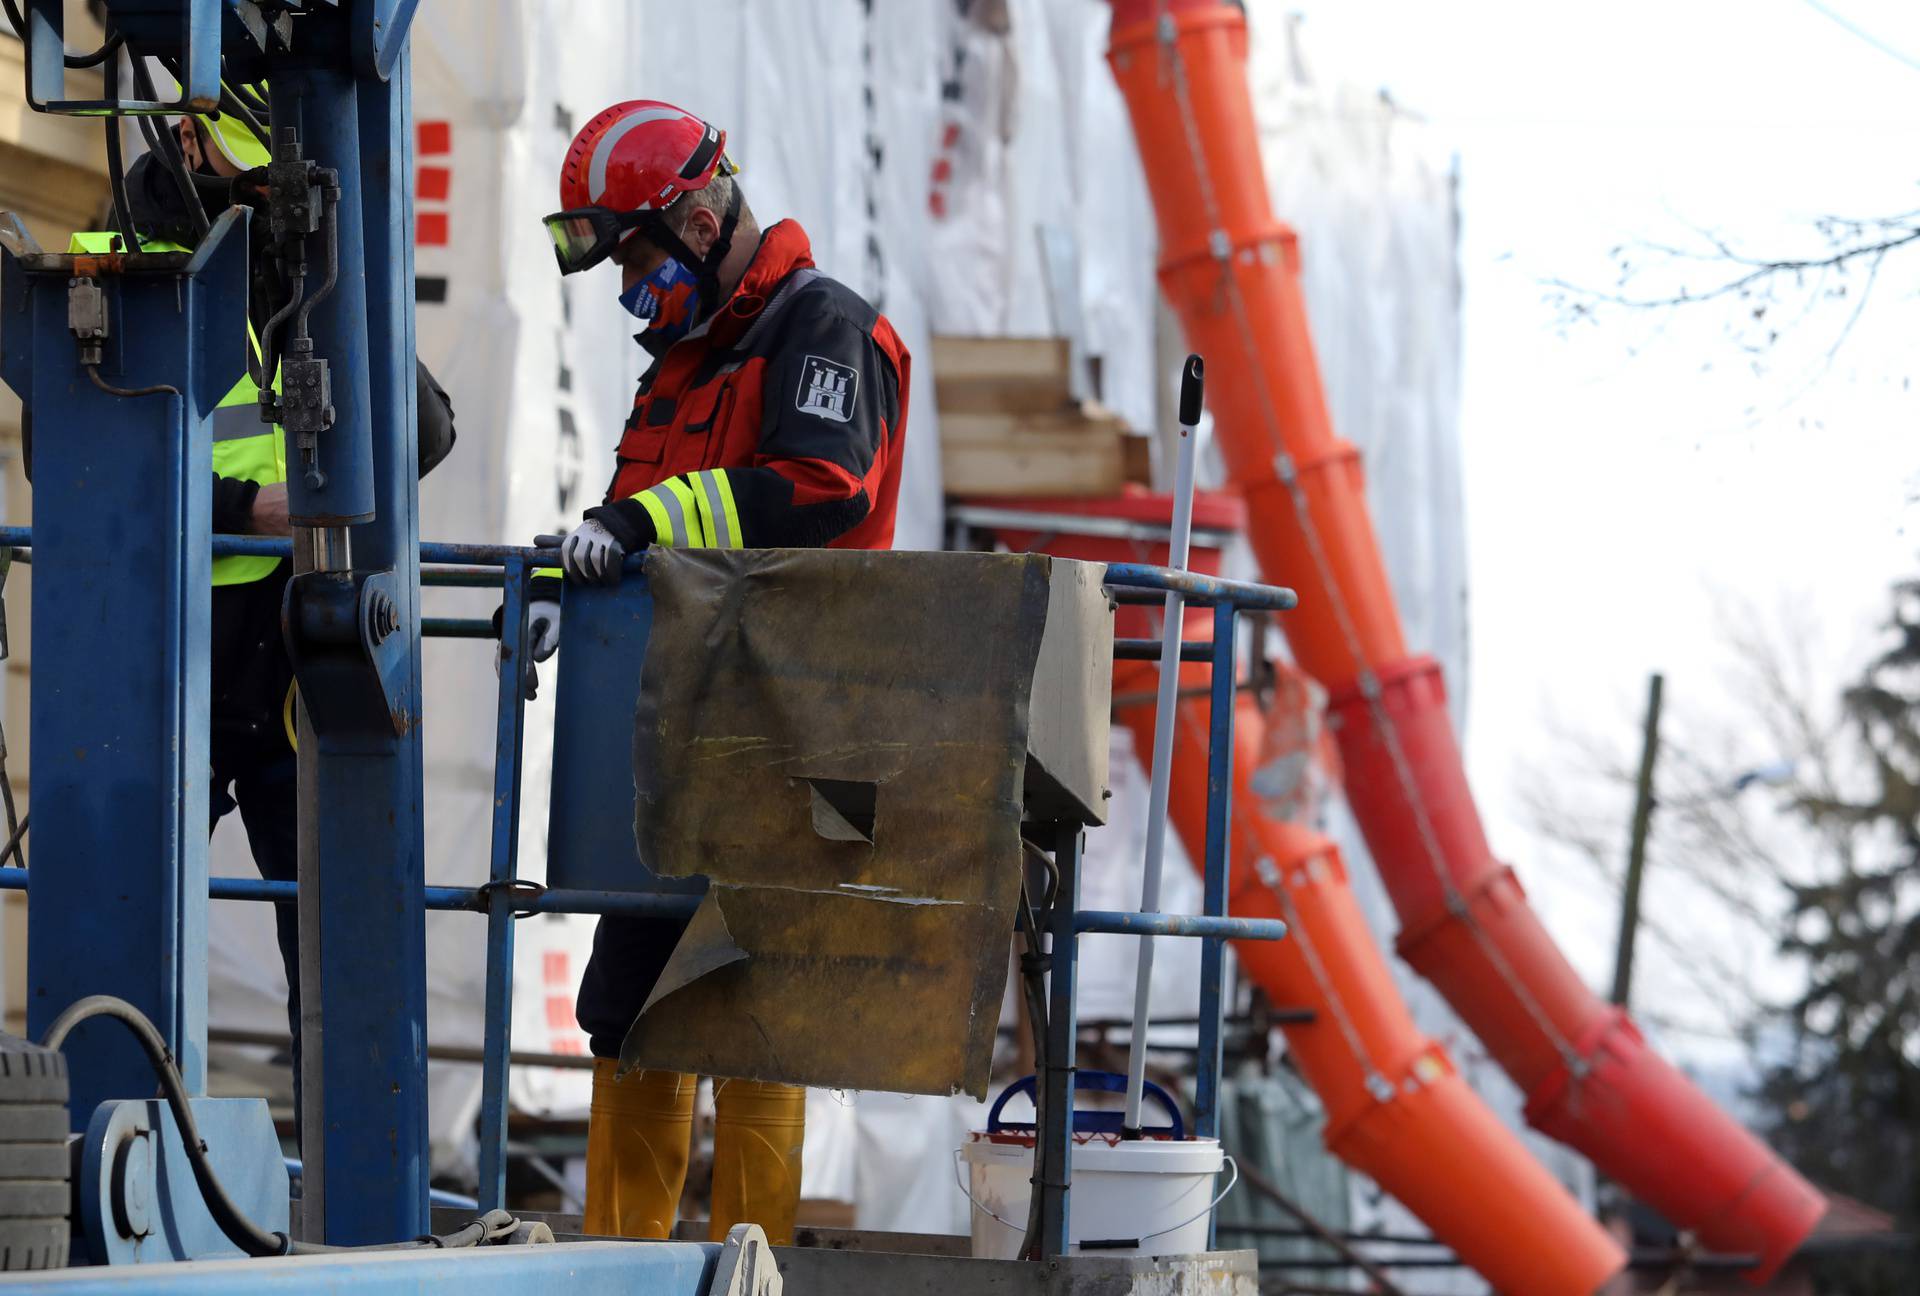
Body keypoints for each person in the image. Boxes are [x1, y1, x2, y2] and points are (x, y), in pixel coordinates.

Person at [28, 113, 457, 1142]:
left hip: (288, 649)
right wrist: (243, 511)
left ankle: (346, 1169)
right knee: (116, 917)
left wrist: (344, 297)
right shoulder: (123, 259)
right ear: (187, 140)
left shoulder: (294, 256)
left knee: (330, 928)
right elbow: (72, 456)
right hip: (169, 648)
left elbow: (428, 430)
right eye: (247, 169)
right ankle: (100, 1148)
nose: (266, 188)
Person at [534, 99, 910, 1244]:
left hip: (800, 738)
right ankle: (615, 1272)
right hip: (676, 739)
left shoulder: (822, 329)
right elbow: (638, 522)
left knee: (761, 1023)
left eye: (638, 254)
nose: (628, 286)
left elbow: (822, 485)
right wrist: (580, 586)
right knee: (630, 1011)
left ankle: (759, 1276)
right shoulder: (677, 368)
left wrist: (642, 521)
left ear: (700, 218)